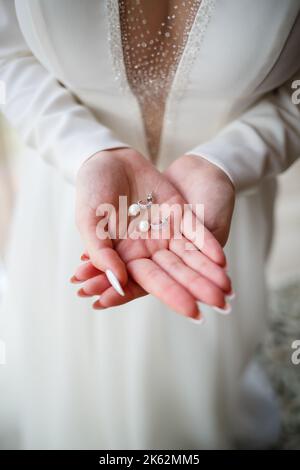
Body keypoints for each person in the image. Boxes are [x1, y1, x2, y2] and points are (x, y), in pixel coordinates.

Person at [0, 0, 299, 449]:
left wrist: (227, 161)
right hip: (77, 194)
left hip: (211, 211)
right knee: (63, 370)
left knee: (199, 379)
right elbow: (8, 55)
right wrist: (86, 150)